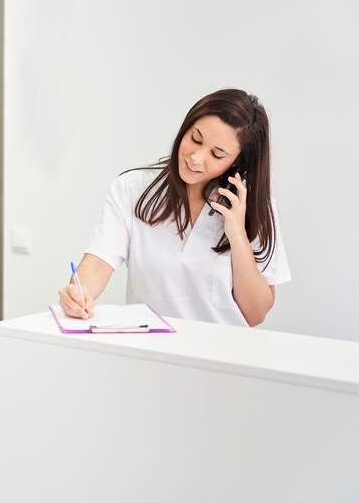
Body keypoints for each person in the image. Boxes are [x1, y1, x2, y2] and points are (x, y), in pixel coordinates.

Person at [58, 89, 290, 327]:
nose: (196, 158)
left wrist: (238, 234)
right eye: (195, 139)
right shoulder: (132, 189)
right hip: (151, 351)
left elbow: (255, 314)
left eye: (217, 154)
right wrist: (79, 292)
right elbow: (98, 263)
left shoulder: (254, 206)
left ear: (237, 162)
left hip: (221, 356)